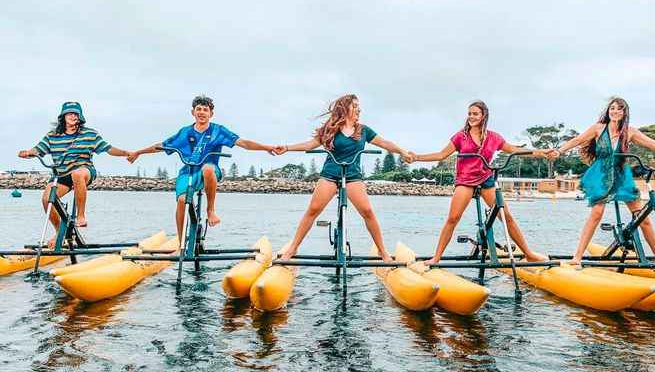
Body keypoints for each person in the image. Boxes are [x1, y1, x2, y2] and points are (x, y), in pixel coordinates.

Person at [405, 100, 550, 265]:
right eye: (469, 114)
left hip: (486, 179)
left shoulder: (494, 137)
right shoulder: (461, 136)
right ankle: (436, 258)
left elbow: (514, 150)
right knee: (453, 218)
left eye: (475, 114)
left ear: (483, 116)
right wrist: (416, 157)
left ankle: (529, 254)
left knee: (506, 217)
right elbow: (441, 155)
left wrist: (541, 153)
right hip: (465, 181)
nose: (471, 117)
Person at [550, 97, 655, 264]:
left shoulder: (630, 132)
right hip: (600, 174)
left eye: (619, 109)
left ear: (624, 113)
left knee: (642, 217)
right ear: (608, 111)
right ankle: (577, 257)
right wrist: (559, 151)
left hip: (621, 176)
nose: (615, 111)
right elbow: (576, 140)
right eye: (612, 108)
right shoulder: (598, 128)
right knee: (596, 213)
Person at [273, 94, 411, 262]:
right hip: (330, 174)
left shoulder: (363, 130)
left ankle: (383, 252)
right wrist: (287, 148)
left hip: (353, 176)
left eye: (359, 106)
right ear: (344, 108)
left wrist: (403, 151)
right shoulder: (330, 128)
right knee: (313, 210)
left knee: (367, 212)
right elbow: (310, 144)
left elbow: (385, 143)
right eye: (355, 106)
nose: (359, 109)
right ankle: (292, 249)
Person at [128, 95, 278, 239]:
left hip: (211, 171)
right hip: (188, 172)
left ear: (211, 114)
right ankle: (180, 243)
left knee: (207, 168)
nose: (201, 112)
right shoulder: (185, 132)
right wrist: (138, 152)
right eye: (198, 109)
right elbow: (161, 146)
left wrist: (266, 147)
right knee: (181, 201)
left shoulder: (218, 130)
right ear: (193, 112)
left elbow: (244, 143)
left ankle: (210, 210)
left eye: (205, 110)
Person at [18, 102, 131, 245]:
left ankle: (81, 216)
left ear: (80, 117)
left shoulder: (89, 134)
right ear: (63, 116)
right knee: (47, 199)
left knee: (77, 174)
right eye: (70, 113)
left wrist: (126, 153)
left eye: (76, 114)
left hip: (84, 170)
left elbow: (108, 148)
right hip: (62, 174)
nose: (73, 116)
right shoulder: (53, 136)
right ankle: (60, 233)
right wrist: (28, 152)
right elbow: (38, 149)